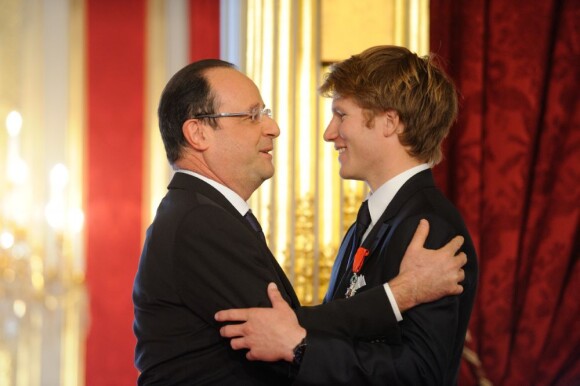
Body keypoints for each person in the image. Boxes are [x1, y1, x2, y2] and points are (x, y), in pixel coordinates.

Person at [132, 58, 467, 385]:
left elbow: (422, 371)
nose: (273, 128)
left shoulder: (428, 226)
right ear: (198, 133)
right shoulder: (199, 221)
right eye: (252, 115)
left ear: (390, 122)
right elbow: (278, 332)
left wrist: (297, 342)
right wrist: (400, 294)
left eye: (340, 114)